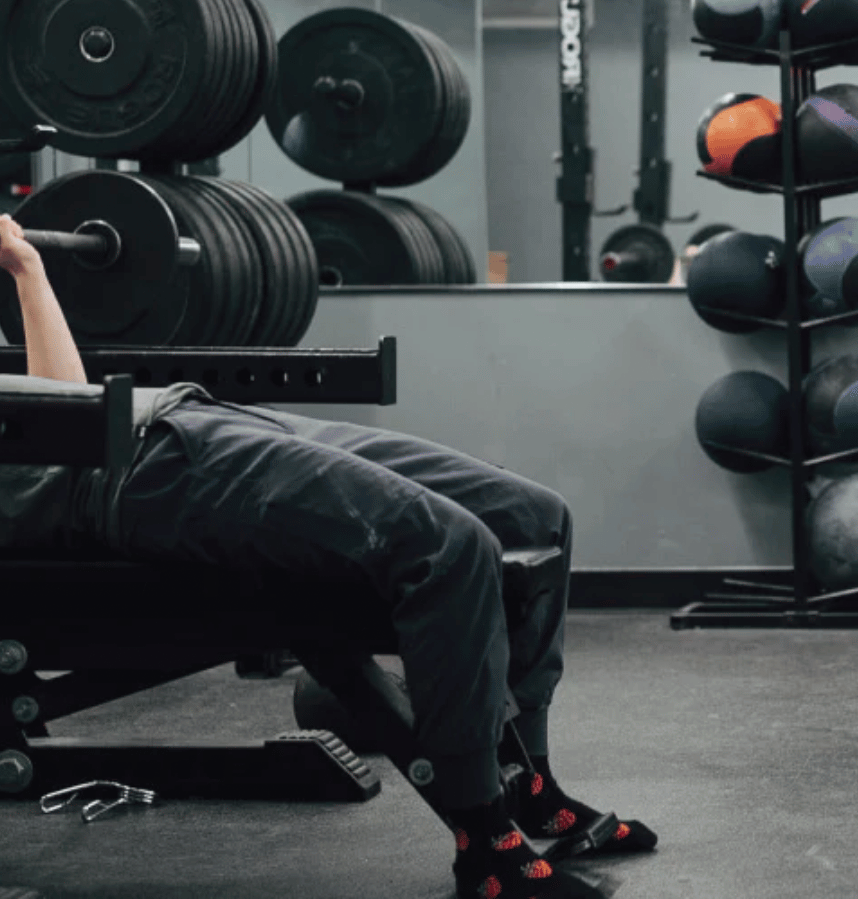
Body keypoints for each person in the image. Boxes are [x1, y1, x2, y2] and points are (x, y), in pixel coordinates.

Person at [0, 215, 652, 899]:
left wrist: (26, 269)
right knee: (449, 549)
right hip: (138, 478)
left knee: (536, 515)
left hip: (180, 418)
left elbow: (63, 398)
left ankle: (535, 785)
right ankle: (484, 837)